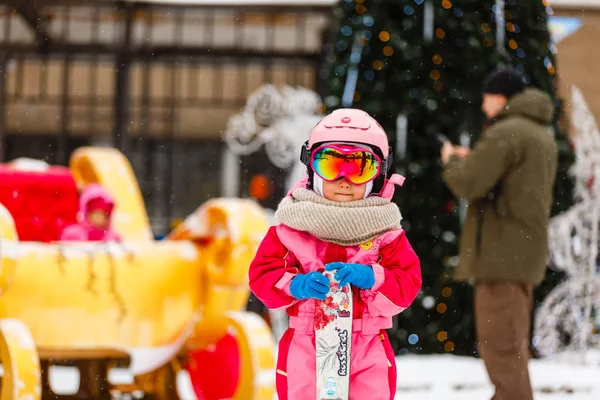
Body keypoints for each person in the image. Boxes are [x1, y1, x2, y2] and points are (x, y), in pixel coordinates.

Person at [248, 108, 422, 400]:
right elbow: (262, 276)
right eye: (331, 166)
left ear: (378, 175)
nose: (344, 180)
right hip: (305, 346)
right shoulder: (290, 228)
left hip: (367, 348)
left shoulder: (386, 234)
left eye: (359, 169)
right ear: (311, 169)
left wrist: (372, 277)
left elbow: (407, 284)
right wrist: (296, 285)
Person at [441, 66, 558, 400]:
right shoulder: (537, 132)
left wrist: (452, 162)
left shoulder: (507, 132)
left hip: (501, 256)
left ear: (500, 97)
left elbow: (469, 182)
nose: (482, 106)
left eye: (486, 98)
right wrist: (474, 159)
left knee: (502, 351)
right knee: (512, 349)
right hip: (521, 253)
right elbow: (505, 180)